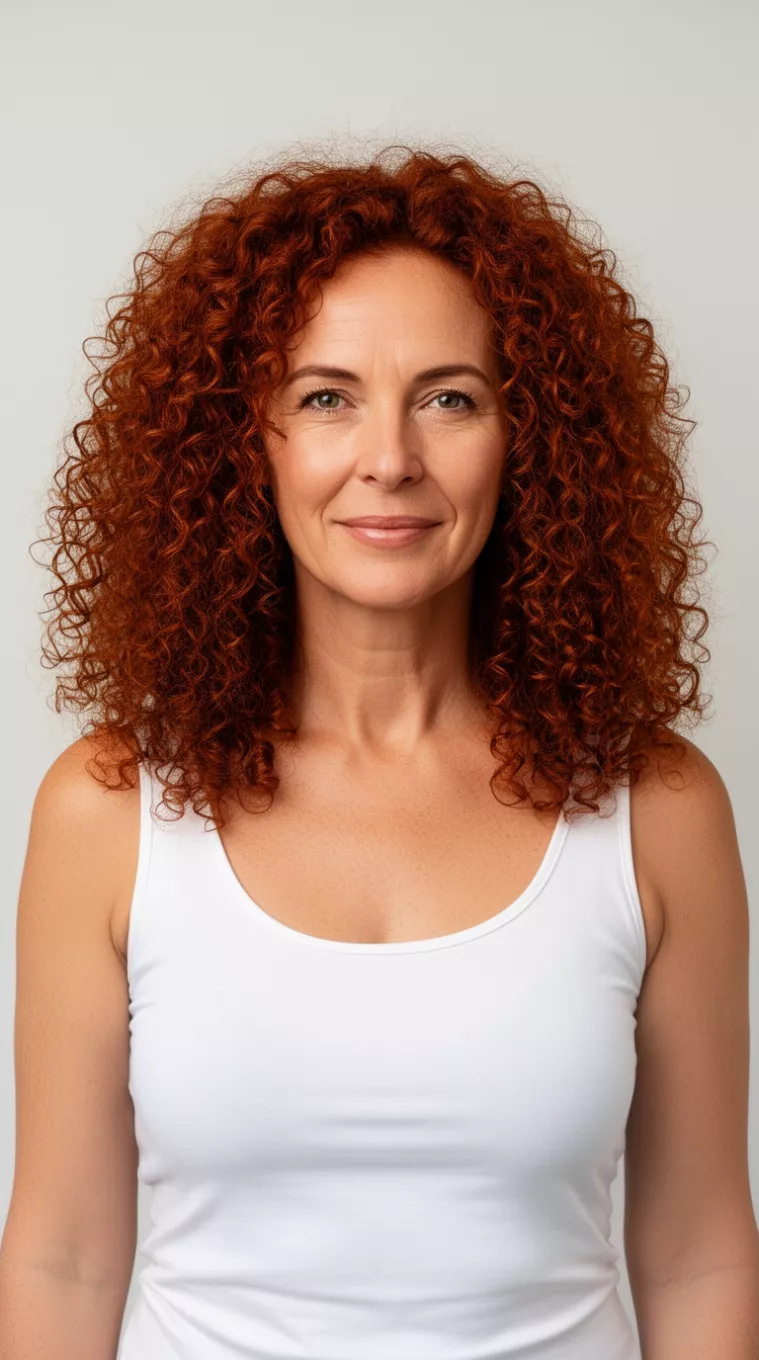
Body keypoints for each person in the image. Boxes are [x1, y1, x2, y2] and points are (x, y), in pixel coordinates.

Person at [1, 143, 757, 1360]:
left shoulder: (659, 809)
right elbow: (63, 1255)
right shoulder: (107, 808)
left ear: (527, 438)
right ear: (245, 440)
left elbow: (699, 1252)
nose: (391, 457)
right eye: (325, 397)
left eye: (450, 398)